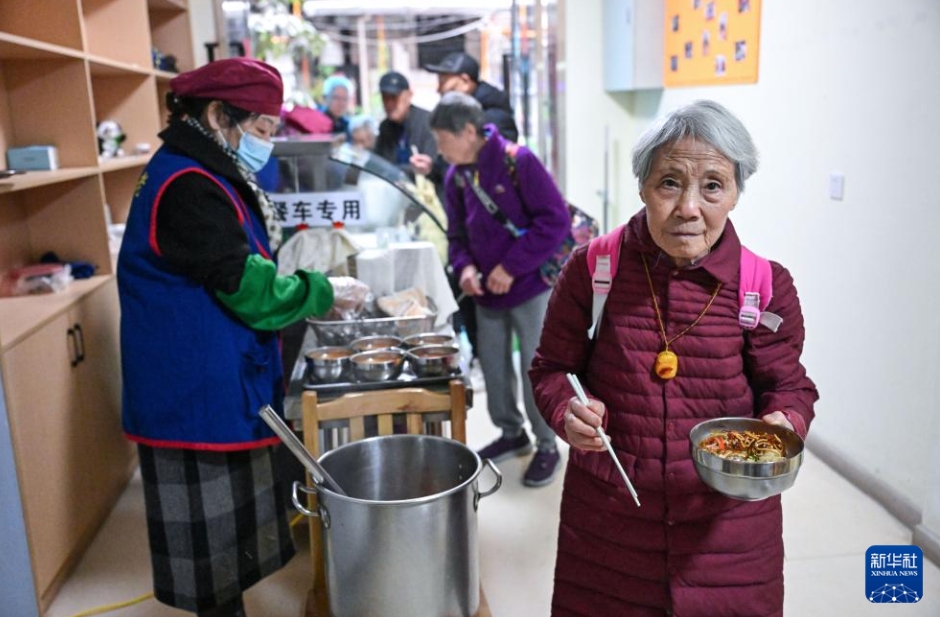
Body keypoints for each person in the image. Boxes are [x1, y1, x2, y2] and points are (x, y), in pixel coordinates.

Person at [528, 100, 819, 615]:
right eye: (669, 183)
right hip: (610, 522)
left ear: (735, 194)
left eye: (712, 186)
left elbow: (789, 386)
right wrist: (566, 412)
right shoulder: (592, 269)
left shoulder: (764, 286)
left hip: (726, 529)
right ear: (642, 186)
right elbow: (552, 368)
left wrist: (784, 421)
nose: (689, 207)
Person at [117, 58, 340, 617]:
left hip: (205, 375)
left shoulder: (195, 168)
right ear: (218, 115)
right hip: (193, 390)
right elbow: (249, 289)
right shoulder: (188, 185)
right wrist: (322, 290)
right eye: (261, 128)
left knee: (226, 551)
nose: (266, 142)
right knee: (212, 554)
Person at [430, 91, 571, 486]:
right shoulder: (456, 177)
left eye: (443, 140)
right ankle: (512, 433)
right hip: (486, 292)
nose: (440, 150)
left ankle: (547, 445)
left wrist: (511, 267)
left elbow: (554, 221)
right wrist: (464, 267)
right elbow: (456, 236)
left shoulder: (518, 161)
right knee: (493, 366)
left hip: (530, 287)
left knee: (535, 369)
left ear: (468, 131)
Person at [373, 70, 438, 179]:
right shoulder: (385, 127)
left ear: (409, 95)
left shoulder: (427, 122)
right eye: (385, 97)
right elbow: (378, 163)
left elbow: (433, 165)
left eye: (393, 97)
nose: (389, 104)